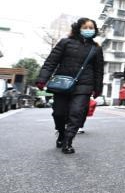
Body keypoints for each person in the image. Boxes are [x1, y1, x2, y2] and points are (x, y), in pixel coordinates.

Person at [36, 18, 104, 154]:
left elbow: (99, 70)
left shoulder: (96, 48)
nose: (89, 30)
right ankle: (61, 133)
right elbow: (51, 61)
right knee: (59, 113)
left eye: (91, 28)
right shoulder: (65, 43)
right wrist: (42, 79)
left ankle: (68, 141)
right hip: (63, 84)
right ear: (78, 28)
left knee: (76, 113)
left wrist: (97, 88)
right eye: (86, 27)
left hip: (84, 86)